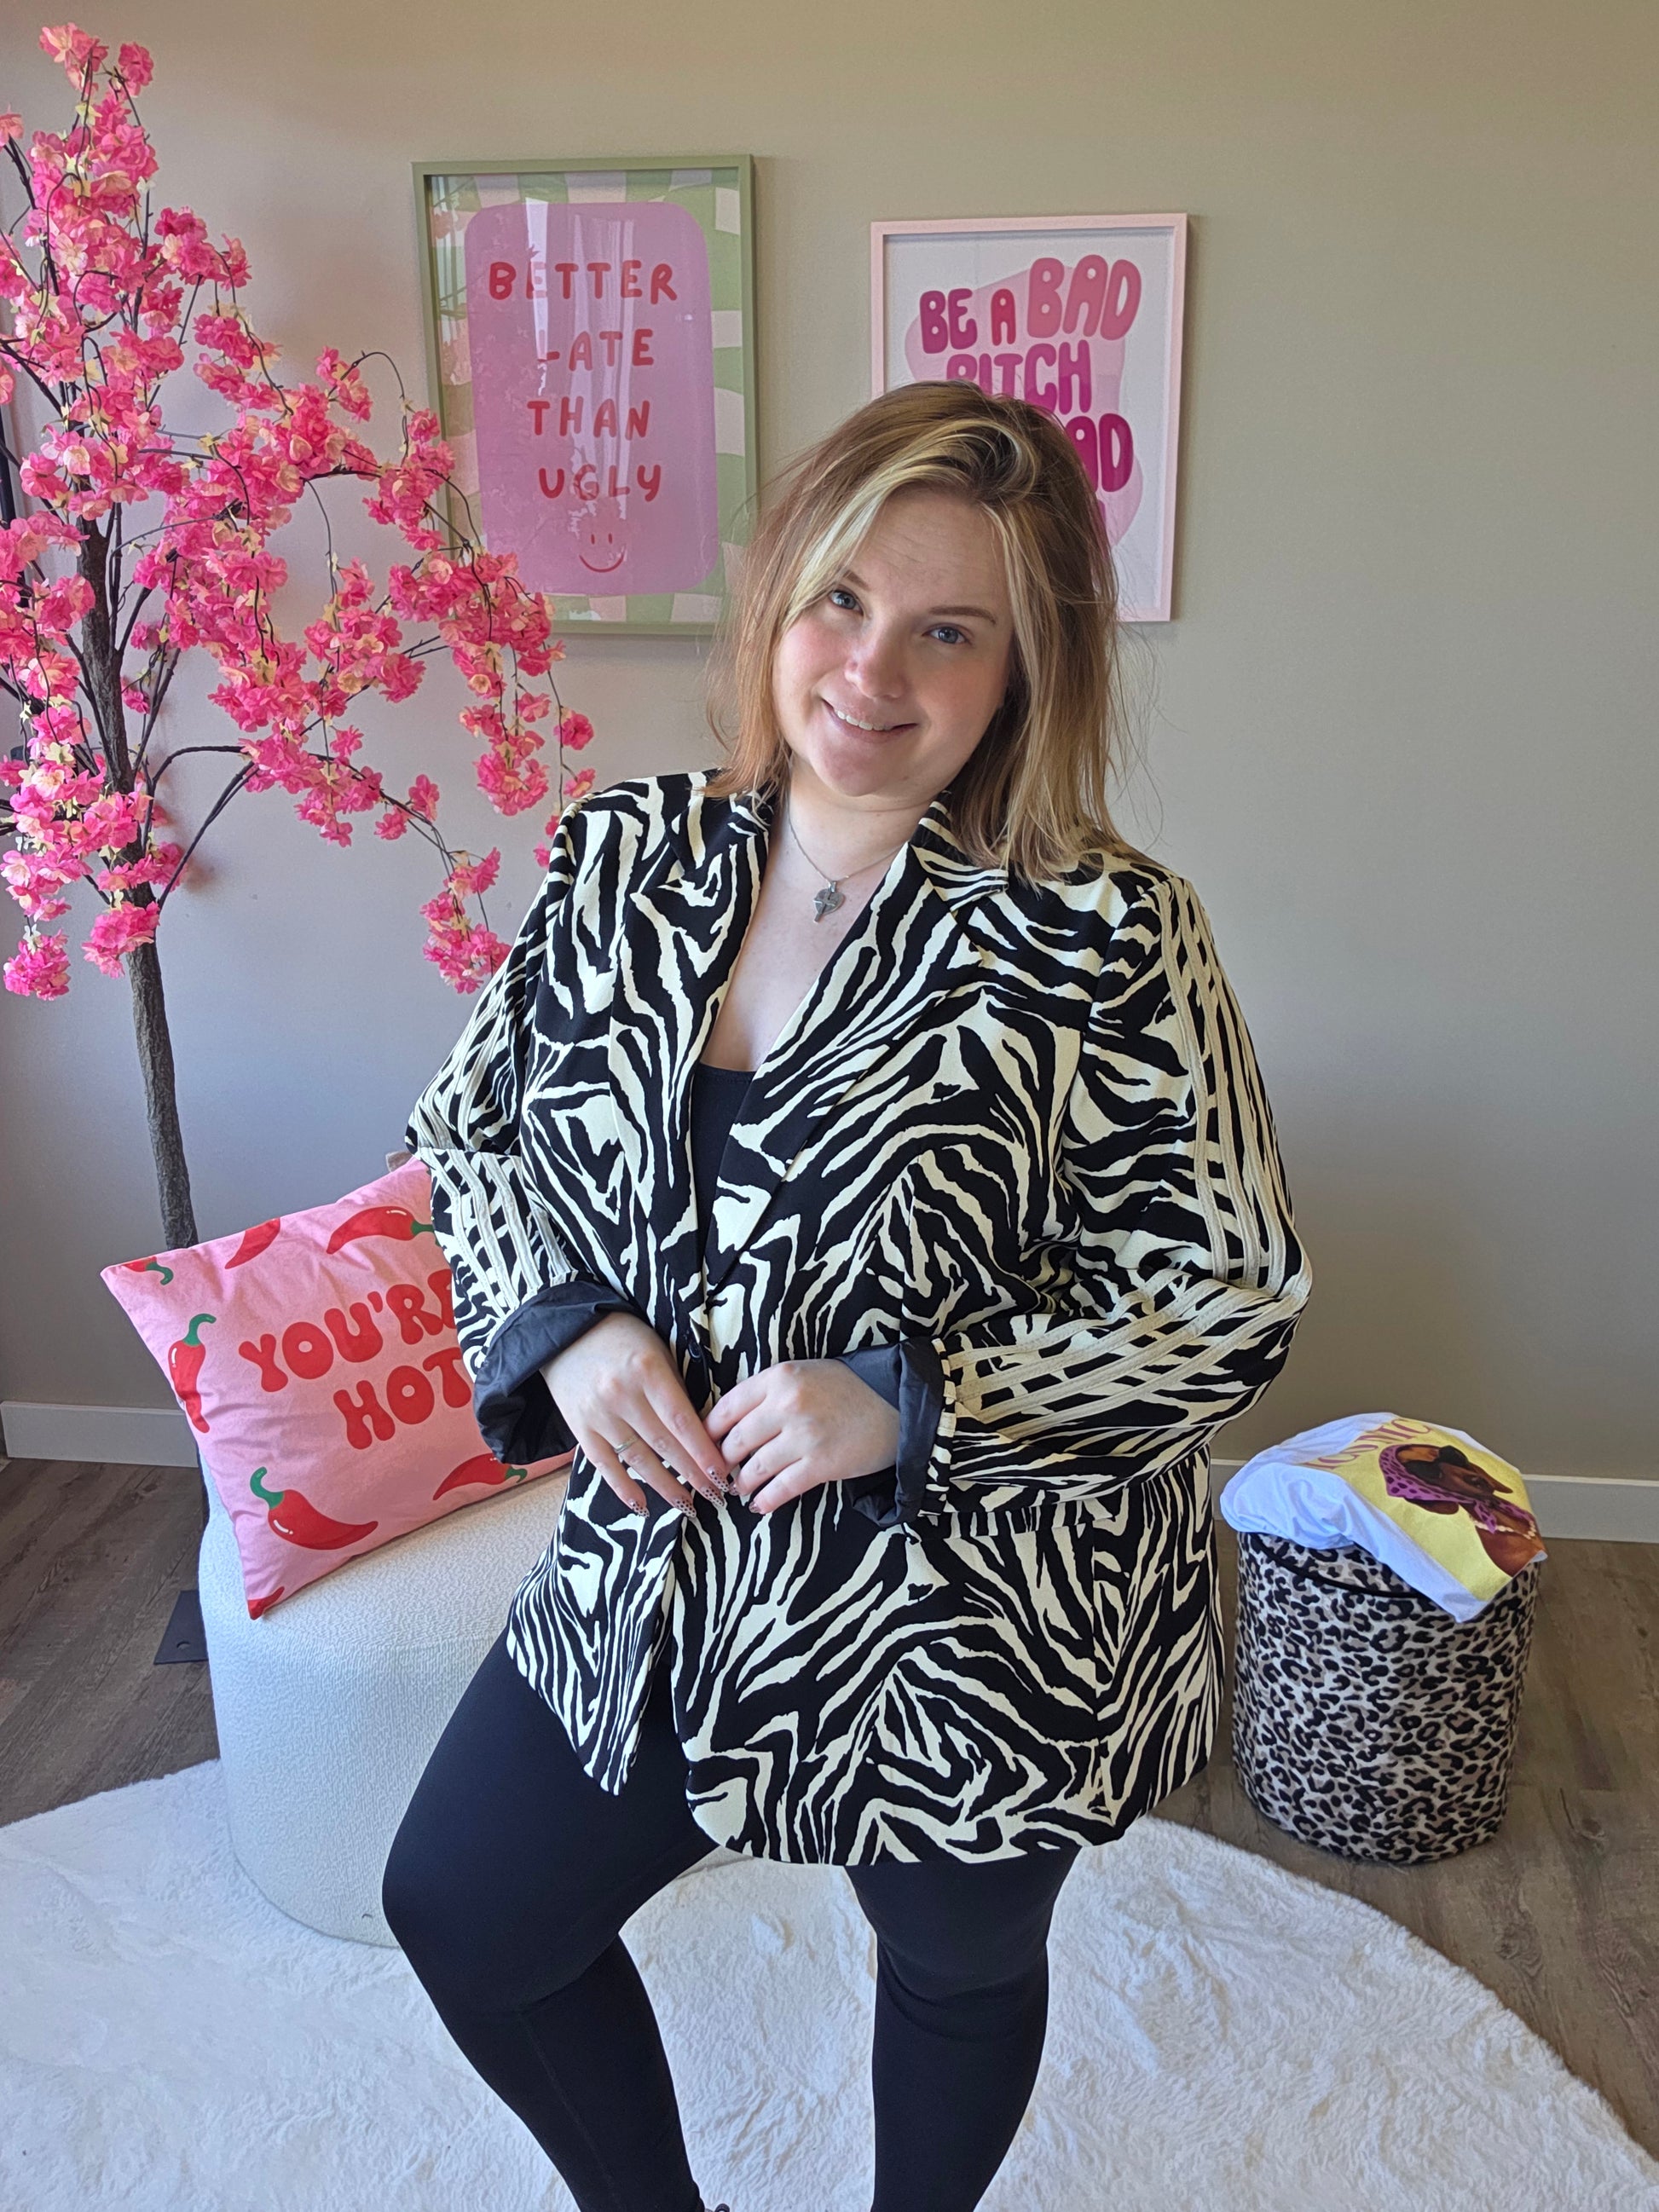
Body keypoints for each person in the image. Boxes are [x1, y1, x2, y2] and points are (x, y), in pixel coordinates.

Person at [381, 381, 1313, 2212]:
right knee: (466, 1909)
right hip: (664, 1562)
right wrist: (567, 1323)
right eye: (842, 600)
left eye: (948, 630)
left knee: (953, 1964)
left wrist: (913, 1398)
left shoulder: (1108, 930)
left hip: (975, 1605)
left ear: (1025, 667)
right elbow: (472, 1133)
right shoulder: (621, 856)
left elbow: (1230, 1290)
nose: (873, 670)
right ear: (777, 602)